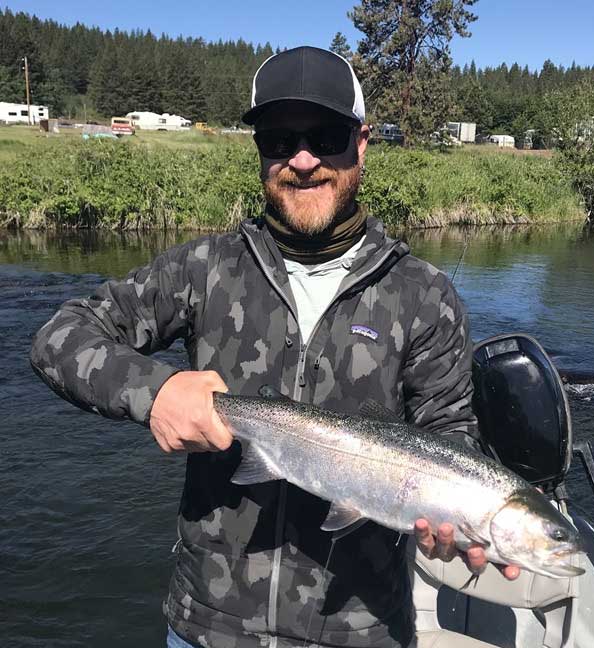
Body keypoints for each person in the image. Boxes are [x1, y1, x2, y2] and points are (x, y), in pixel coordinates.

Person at [31, 46, 518, 648]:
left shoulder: (424, 295)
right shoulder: (204, 270)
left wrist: (454, 513)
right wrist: (153, 392)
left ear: (362, 143)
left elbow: (452, 431)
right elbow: (59, 335)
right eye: (279, 139)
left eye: (327, 136)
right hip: (207, 626)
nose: (304, 160)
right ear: (259, 149)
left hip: (360, 631)